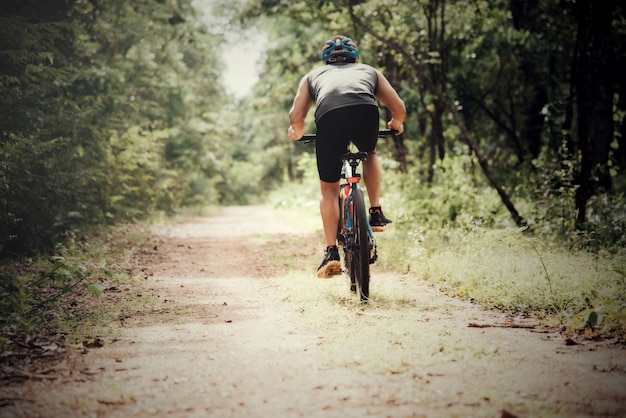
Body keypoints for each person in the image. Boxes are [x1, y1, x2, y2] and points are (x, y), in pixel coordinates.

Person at [287, 35, 406, 279]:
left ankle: (331, 252)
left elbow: (296, 116)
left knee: (329, 189)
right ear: (354, 57)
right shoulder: (369, 71)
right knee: (369, 151)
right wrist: (396, 123)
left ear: (326, 59)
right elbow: (398, 107)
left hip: (329, 117)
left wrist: (297, 133)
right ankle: (375, 211)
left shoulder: (312, 77)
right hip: (365, 111)